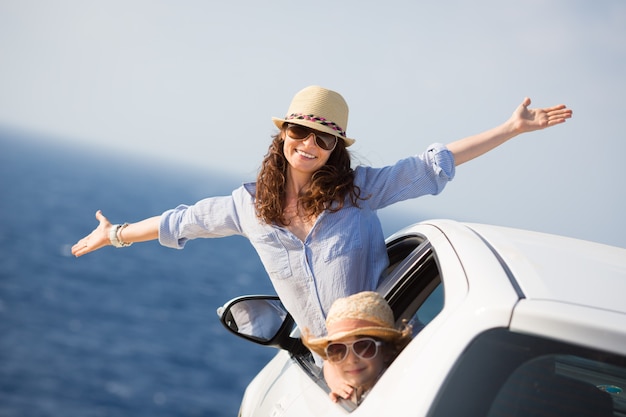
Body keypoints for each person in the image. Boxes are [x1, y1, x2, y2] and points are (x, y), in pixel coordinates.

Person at [72, 85, 572, 338]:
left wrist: (510, 129)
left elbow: (432, 165)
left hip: (383, 346)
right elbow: (181, 222)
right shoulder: (248, 207)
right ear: (282, 136)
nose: (309, 144)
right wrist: (114, 234)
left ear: (335, 147)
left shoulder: (360, 191)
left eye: (323, 137)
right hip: (322, 358)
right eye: (299, 132)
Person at [302, 291, 412, 405]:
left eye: (363, 346)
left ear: (387, 350)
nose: (351, 359)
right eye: (338, 350)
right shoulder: (352, 390)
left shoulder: (400, 391)